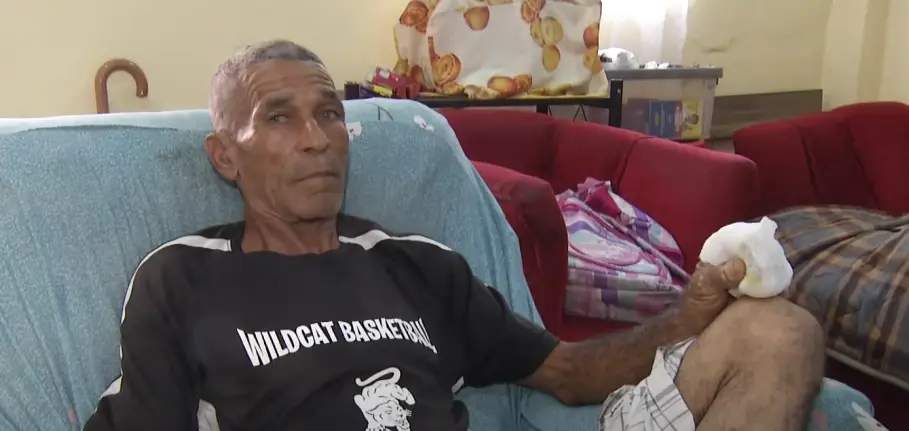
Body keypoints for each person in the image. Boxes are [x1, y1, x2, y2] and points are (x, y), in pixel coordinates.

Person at [84, 40, 825, 431]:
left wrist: (691, 313)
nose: (316, 139)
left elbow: (567, 371)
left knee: (779, 331)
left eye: (329, 113)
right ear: (225, 156)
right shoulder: (184, 277)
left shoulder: (414, 264)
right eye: (278, 118)